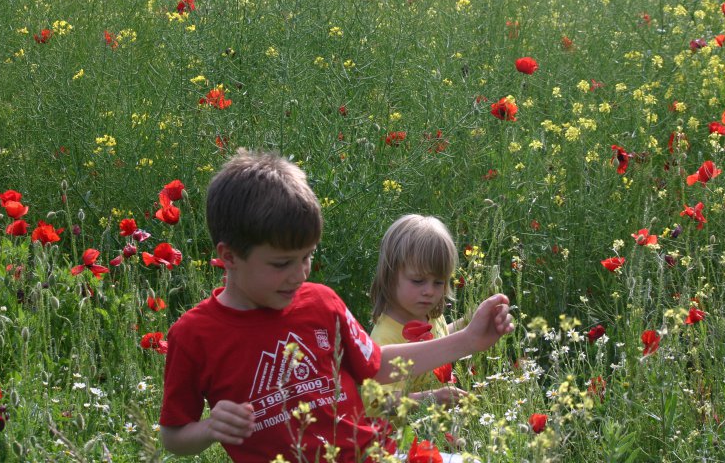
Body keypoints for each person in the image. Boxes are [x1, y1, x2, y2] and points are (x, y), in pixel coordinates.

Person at [158, 149, 514, 462]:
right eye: (282, 264)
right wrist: (209, 429)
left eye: (307, 257)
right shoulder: (194, 335)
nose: (299, 275)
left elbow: (375, 365)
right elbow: (174, 436)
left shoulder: (321, 302)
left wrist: (468, 340)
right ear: (229, 256)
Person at [369, 214, 467, 406]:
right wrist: (431, 398)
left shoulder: (428, 316)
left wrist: (469, 321)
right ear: (390, 276)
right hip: (403, 432)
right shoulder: (385, 339)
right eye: (417, 281)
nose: (429, 291)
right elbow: (378, 403)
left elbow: (440, 339)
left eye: (438, 282)